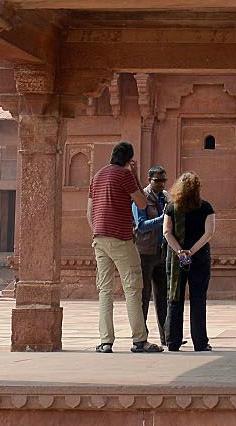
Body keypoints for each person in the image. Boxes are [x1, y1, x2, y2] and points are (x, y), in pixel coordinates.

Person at [88, 141, 158, 353]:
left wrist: (98, 232)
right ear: (129, 159)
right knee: (133, 288)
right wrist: (134, 174)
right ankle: (139, 340)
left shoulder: (97, 176)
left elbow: (89, 212)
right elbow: (143, 203)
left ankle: (105, 341)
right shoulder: (124, 175)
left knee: (105, 290)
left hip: (99, 238)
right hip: (120, 238)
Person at [163, 171, 216, 352]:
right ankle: (200, 342)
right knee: (198, 299)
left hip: (177, 259)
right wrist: (191, 251)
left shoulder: (172, 207)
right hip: (199, 257)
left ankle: (173, 341)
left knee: (174, 297)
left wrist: (180, 251)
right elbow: (209, 233)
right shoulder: (206, 207)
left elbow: (166, 232)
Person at [132, 166, 171, 337]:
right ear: (149, 180)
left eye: (163, 180)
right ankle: (141, 335)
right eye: (158, 181)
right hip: (145, 252)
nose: (161, 184)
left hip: (162, 251)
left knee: (163, 296)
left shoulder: (166, 197)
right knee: (144, 296)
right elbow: (140, 226)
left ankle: (166, 335)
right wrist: (163, 219)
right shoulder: (142, 199)